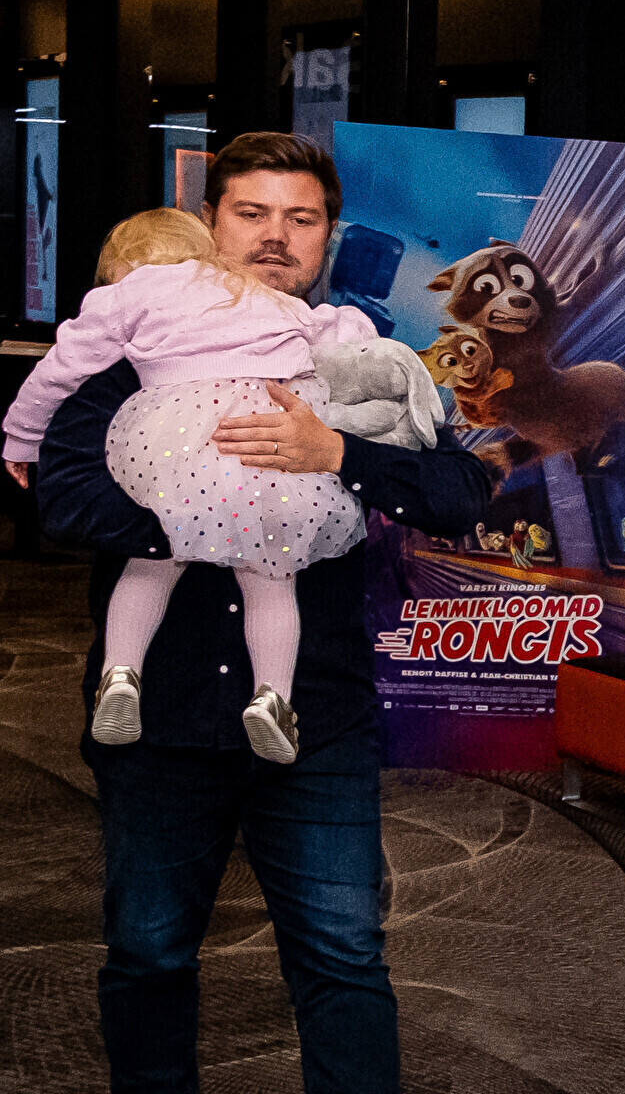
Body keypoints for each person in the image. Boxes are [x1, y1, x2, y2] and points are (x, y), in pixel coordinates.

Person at [34, 131, 498, 1094]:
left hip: (313, 712)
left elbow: (456, 489)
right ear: (214, 222)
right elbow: (62, 492)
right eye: (252, 212)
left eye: (302, 218)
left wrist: (334, 451)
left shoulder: (351, 354)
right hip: (154, 711)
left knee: (342, 947)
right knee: (150, 945)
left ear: (329, 234)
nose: (277, 237)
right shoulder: (140, 347)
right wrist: (208, 513)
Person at [7, 207, 386, 762]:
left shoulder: (128, 294)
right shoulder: (255, 292)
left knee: (149, 565)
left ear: (123, 267)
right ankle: (273, 697)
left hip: (171, 442)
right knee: (272, 578)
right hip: (261, 445)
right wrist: (362, 333)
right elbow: (335, 329)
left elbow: (57, 372)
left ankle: (121, 673)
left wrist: (21, 437)